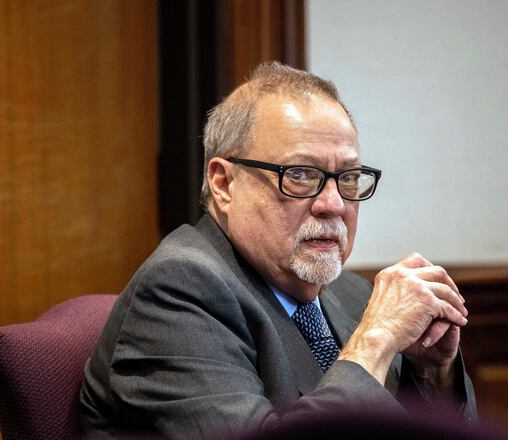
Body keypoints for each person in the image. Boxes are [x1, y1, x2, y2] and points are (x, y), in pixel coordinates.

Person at [80, 61, 478, 439]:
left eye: (348, 178)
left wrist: (432, 372)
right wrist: (375, 340)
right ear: (223, 183)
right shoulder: (178, 292)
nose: (334, 203)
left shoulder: (350, 294)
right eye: (300, 175)